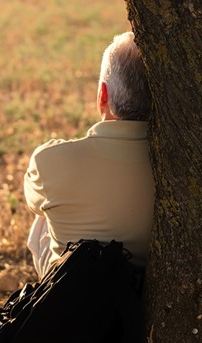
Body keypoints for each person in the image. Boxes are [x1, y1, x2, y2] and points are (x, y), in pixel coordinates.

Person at [24, 31, 154, 278]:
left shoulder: (49, 160)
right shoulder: (179, 166)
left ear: (102, 94)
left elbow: (33, 202)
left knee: (43, 215)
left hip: (73, 297)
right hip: (143, 295)